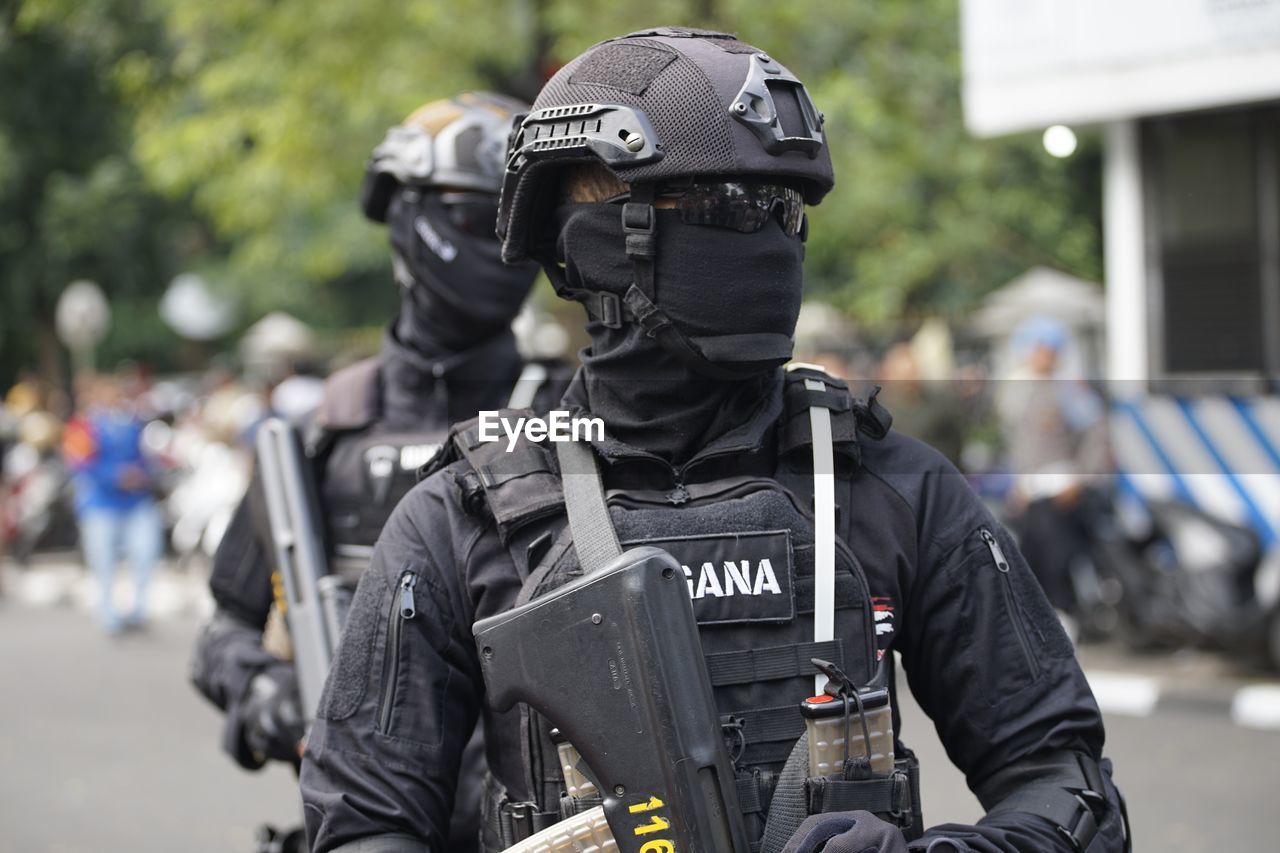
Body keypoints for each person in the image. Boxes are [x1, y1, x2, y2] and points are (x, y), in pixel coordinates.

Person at [301, 29, 1128, 853]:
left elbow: (1073, 794)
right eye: (718, 207)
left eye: (780, 208)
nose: (764, 239)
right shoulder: (458, 519)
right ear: (588, 239)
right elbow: (364, 826)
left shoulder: (891, 485)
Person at [190, 92, 560, 853]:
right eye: (471, 213)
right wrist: (265, 691)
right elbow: (223, 624)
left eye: (515, 219)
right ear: (403, 214)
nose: (498, 242)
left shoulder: (571, 419)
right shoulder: (321, 435)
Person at [995, 316, 1109, 628]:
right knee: (1029, 556)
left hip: (1060, 486)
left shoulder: (1069, 388)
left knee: (1058, 558)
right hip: (1028, 488)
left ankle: (1067, 618)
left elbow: (1096, 436)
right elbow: (1017, 443)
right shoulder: (1018, 388)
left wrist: (1080, 480)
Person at [63, 372, 164, 634]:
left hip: (136, 502)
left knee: (145, 553)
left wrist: (141, 475)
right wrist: (114, 476)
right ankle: (108, 613)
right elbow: (79, 465)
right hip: (100, 505)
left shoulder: (133, 423)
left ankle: (138, 609)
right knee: (103, 562)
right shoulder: (82, 426)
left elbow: (145, 458)